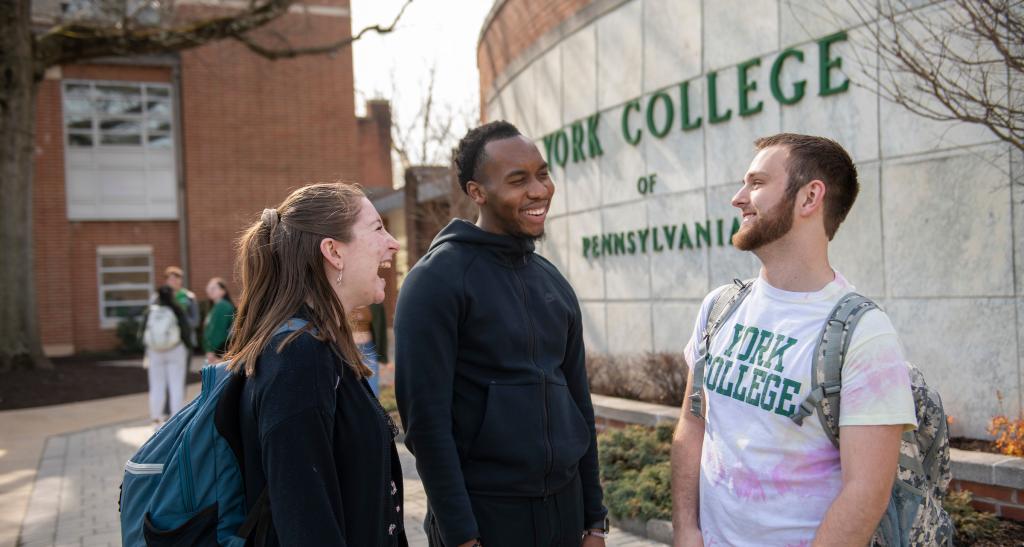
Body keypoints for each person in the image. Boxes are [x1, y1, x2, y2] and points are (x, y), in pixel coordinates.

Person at [670, 134, 917, 547]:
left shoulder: (863, 333)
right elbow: (693, 423)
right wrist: (686, 530)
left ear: (809, 198)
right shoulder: (720, 307)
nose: (738, 197)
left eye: (757, 183)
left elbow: (866, 491)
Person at [395, 121, 608, 547]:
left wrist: (594, 520)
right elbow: (426, 425)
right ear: (478, 192)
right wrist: (461, 535)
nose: (539, 190)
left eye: (542, 174)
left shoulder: (553, 283)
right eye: (518, 180)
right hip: (487, 516)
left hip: (564, 515)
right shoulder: (435, 281)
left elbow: (579, 406)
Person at [227, 182, 404, 546]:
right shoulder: (297, 357)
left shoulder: (315, 346)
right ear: (333, 252)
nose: (393, 242)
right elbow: (305, 524)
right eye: (377, 228)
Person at [140, 284, 192, 423]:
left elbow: (142, 333)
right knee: (176, 385)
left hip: (155, 352)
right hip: (175, 350)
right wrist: (188, 347)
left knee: (156, 386)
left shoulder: (150, 311)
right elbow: (186, 331)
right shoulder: (176, 309)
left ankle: (156, 420)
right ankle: (176, 421)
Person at [348, 302, 388, 395]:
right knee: (352, 386)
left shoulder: (374, 304)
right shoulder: (345, 300)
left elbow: (381, 330)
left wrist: (383, 357)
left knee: (372, 385)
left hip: (369, 348)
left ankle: (374, 407)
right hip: (349, 349)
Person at [164, 266, 200, 348]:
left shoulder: (189, 297)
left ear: (181, 280)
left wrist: (181, 322)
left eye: (177, 278)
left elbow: (195, 321)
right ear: (166, 281)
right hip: (165, 340)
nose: (174, 282)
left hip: (185, 340)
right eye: (171, 279)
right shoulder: (159, 298)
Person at [202, 277, 235, 363]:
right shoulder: (216, 306)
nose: (210, 290)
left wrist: (210, 350)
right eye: (209, 288)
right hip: (219, 350)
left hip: (219, 351)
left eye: (214, 288)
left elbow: (218, 331)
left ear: (223, 291)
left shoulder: (222, 306)